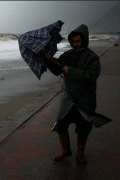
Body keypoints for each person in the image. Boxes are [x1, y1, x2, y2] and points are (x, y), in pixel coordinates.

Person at [43, 24, 100, 164]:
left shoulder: (92, 57)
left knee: (84, 127)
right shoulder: (67, 55)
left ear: (84, 40)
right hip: (68, 98)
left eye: (78, 41)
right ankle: (66, 150)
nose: (75, 44)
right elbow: (58, 70)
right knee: (60, 124)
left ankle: (80, 152)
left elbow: (92, 76)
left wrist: (72, 71)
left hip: (85, 99)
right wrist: (48, 60)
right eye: (73, 41)